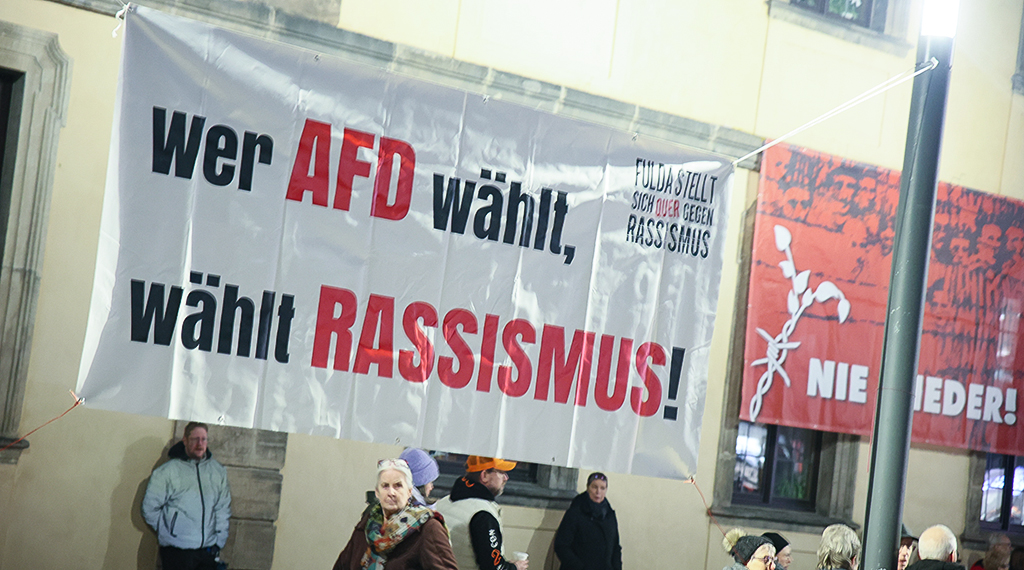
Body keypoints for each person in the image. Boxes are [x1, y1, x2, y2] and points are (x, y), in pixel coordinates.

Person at [332, 458, 458, 570]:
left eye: (398, 486)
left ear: (409, 492)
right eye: (385, 486)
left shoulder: (428, 528)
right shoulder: (368, 523)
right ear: (377, 492)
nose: (391, 493)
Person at [142, 421, 232, 570]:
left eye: (203, 439)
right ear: (185, 440)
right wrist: (170, 531)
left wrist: (219, 541)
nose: (200, 444)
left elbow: (222, 508)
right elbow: (150, 508)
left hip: (208, 550)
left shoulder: (217, 471)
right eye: (195, 439)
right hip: (177, 551)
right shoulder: (167, 472)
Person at [434, 456, 527, 570]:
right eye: (501, 472)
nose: (506, 478)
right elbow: (493, 567)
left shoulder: (442, 503)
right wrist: (514, 567)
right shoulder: (483, 515)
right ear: (484, 475)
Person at [554, 472, 622, 570]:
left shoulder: (609, 515)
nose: (598, 492)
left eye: (602, 488)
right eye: (594, 487)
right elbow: (561, 546)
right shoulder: (575, 512)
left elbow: (615, 547)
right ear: (588, 487)